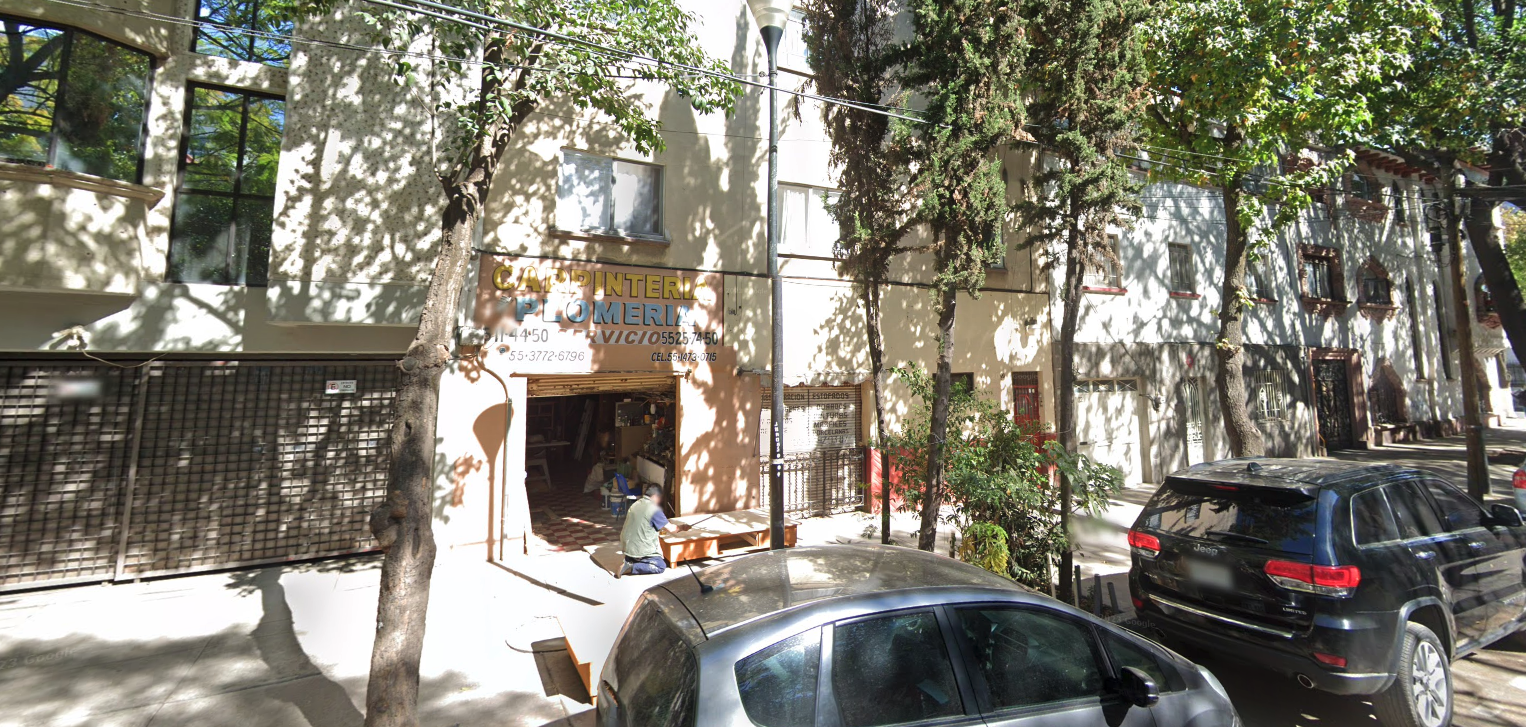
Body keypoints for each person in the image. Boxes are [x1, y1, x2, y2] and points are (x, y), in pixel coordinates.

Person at [617, 484, 690, 577]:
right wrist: (682, 527)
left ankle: (630, 560)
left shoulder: (636, 504)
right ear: (656, 496)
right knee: (660, 565)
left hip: (627, 547)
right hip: (639, 550)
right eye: (660, 498)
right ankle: (631, 567)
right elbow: (672, 529)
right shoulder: (653, 509)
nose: (660, 501)